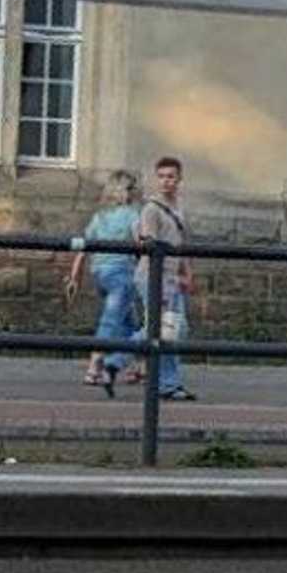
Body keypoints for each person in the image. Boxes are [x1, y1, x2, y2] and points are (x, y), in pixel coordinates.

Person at [111, 155, 197, 401]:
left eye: (171, 176)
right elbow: (150, 244)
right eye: (161, 177)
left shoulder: (180, 207)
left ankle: (166, 383)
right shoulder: (152, 209)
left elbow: (183, 245)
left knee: (171, 330)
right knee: (161, 329)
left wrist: (187, 274)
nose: (166, 181)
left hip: (172, 277)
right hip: (153, 275)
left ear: (179, 179)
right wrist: (163, 279)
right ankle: (117, 361)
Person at [65, 170, 143, 393]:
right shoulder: (132, 214)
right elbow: (140, 244)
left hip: (100, 274)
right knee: (110, 322)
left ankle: (137, 367)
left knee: (128, 323)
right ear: (127, 191)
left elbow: (83, 249)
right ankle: (94, 367)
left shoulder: (99, 217)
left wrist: (74, 278)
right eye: (132, 188)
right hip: (122, 274)